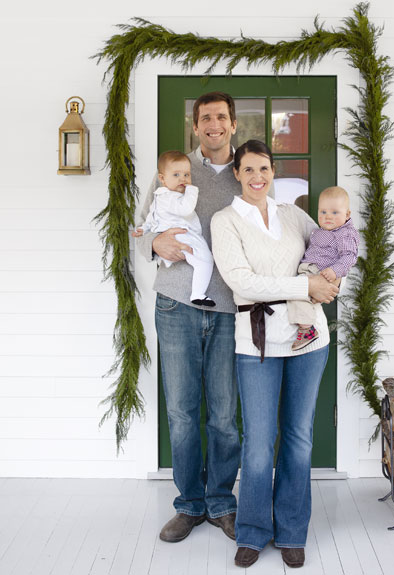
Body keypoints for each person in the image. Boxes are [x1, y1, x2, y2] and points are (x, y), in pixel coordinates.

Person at [211, 140, 339, 569]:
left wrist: (333, 278)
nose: (257, 177)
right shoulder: (225, 221)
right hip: (257, 341)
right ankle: (252, 531)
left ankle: (290, 532)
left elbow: (330, 246)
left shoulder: (293, 215)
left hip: (308, 339)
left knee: (299, 439)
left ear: (272, 171)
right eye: (248, 170)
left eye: (263, 168)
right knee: (259, 443)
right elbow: (242, 283)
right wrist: (305, 287)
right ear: (237, 174)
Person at [135, 92, 242, 543]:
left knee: (223, 414)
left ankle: (220, 502)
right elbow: (140, 229)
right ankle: (189, 505)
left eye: (221, 117)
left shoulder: (248, 173)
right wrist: (154, 244)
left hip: (231, 308)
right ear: (195, 127)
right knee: (181, 412)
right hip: (176, 304)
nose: (214, 125)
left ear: (232, 125)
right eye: (205, 118)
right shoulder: (175, 170)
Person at [133, 150, 216, 307]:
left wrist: (144, 229)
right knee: (205, 261)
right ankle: (198, 294)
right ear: (162, 179)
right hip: (182, 237)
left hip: (182, 236)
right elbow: (185, 209)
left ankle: (198, 293)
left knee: (203, 261)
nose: (183, 179)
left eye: (186, 175)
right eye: (176, 175)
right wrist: (192, 190)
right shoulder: (170, 197)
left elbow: (152, 217)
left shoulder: (161, 196)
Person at [288, 186, 359, 350]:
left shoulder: (345, 234)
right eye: (323, 212)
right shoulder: (321, 230)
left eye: (335, 213)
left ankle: (307, 330)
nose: (328, 217)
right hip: (312, 269)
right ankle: (306, 324)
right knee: (298, 294)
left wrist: (335, 271)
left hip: (321, 271)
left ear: (347, 214)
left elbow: (350, 256)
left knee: (296, 291)